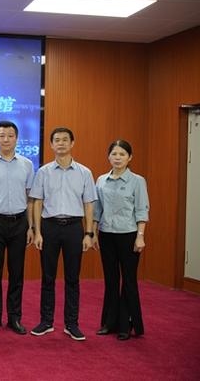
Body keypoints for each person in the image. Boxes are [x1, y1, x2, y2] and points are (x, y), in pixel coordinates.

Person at [29, 127, 97, 341]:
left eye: (65, 140)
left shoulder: (84, 172)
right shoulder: (43, 172)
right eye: (56, 140)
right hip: (49, 227)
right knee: (47, 277)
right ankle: (46, 321)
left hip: (74, 228)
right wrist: (37, 232)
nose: (61, 143)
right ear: (51, 145)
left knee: (72, 278)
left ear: (72, 143)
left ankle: (71, 324)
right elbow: (37, 202)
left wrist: (88, 233)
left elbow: (88, 204)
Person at [0, 121, 34, 335]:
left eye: (10, 135)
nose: (6, 139)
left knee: (16, 272)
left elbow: (30, 199)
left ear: (16, 139)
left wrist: (31, 227)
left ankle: (14, 318)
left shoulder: (27, 164)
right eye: (2, 135)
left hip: (19, 222)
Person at [93, 139, 149, 340]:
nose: (117, 158)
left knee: (129, 280)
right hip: (106, 235)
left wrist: (140, 236)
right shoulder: (101, 180)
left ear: (129, 157)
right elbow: (97, 210)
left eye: (122, 154)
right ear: (109, 157)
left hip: (129, 235)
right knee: (111, 280)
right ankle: (109, 323)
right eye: (114, 154)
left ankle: (126, 325)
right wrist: (93, 233)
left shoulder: (137, 181)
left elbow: (142, 210)